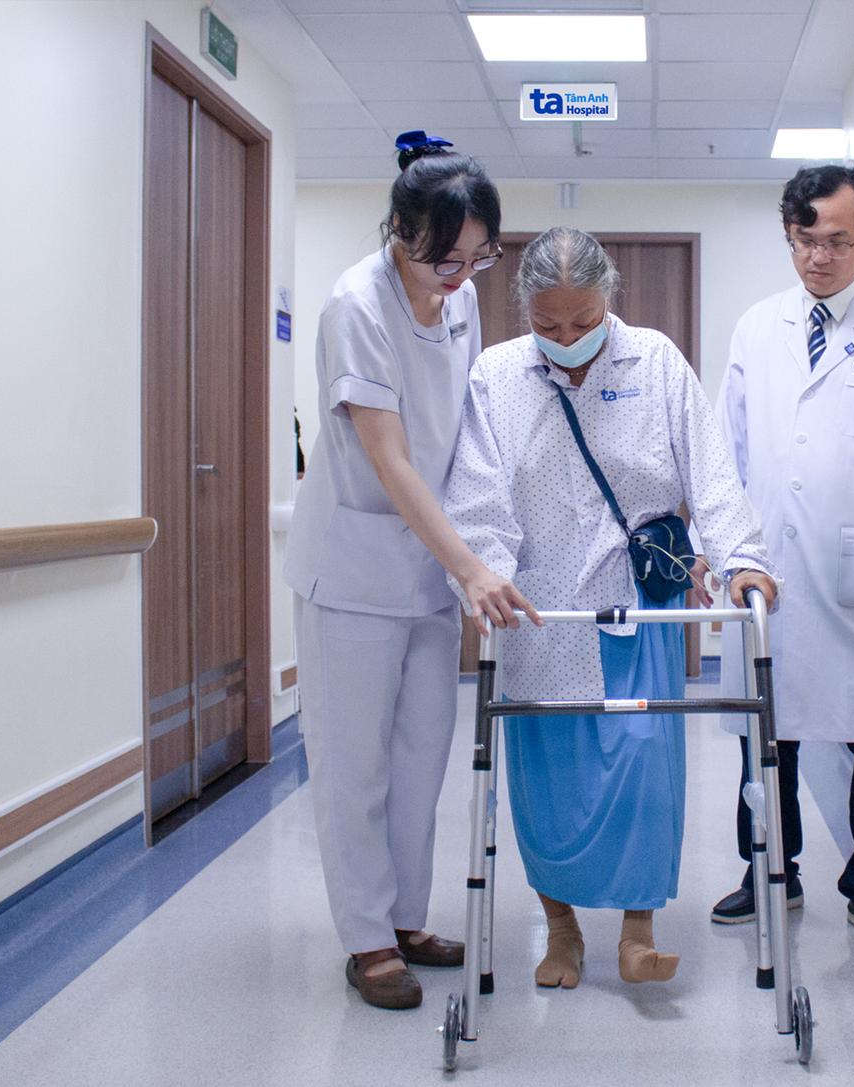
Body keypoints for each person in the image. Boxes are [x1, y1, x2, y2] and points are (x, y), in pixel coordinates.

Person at [444, 227, 778, 988]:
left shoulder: (654, 361)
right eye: (548, 324)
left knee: (642, 765)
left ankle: (637, 931)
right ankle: (561, 930)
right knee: (548, 780)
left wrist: (743, 561)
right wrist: (484, 574)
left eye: (583, 321)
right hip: (536, 613)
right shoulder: (496, 375)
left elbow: (712, 472)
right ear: (524, 311)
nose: (566, 339)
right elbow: (477, 495)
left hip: (634, 606)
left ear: (610, 301)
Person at [283, 132, 538, 1011]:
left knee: (422, 757)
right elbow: (389, 457)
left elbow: (461, 429)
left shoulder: (459, 301)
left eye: (478, 258)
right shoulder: (355, 305)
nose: (460, 277)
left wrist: (478, 547)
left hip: (429, 570)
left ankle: (405, 919)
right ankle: (366, 939)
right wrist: (470, 566)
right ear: (400, 233)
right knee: (355, 765)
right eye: (443, 259)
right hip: (353, 573)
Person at [710, 165, 854, 949]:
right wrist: (723, 549)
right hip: (767, 566)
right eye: (804, 240)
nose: (818, 257)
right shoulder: (757, 327)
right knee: (765, 730)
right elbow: (728, 450)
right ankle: (768, 870)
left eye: (838, 241)